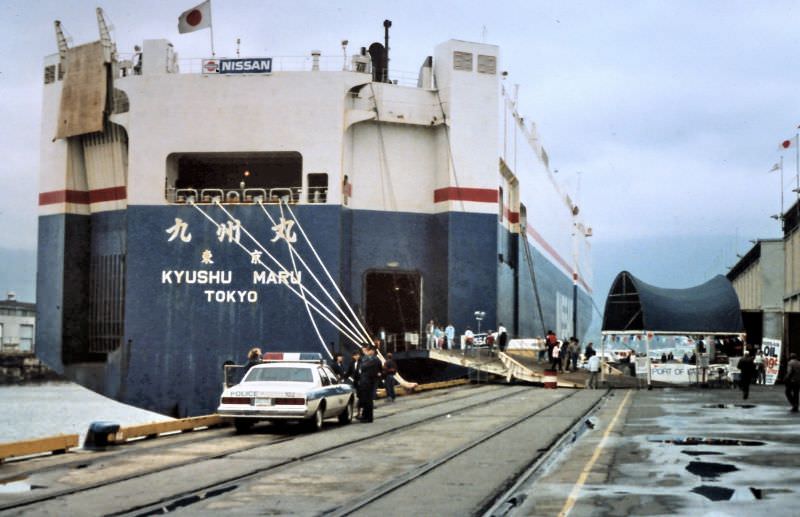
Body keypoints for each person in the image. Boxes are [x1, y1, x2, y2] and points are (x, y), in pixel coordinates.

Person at [357, 345, 381, 422]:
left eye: (367, 350)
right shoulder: (371, 359)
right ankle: (365, 416)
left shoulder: (372, 359)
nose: (365, 352)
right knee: (366, 400)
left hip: (368, 382)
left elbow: (363, 367)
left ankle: (367, 417)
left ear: (372, 351)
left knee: (367, 400)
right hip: (367, 381)